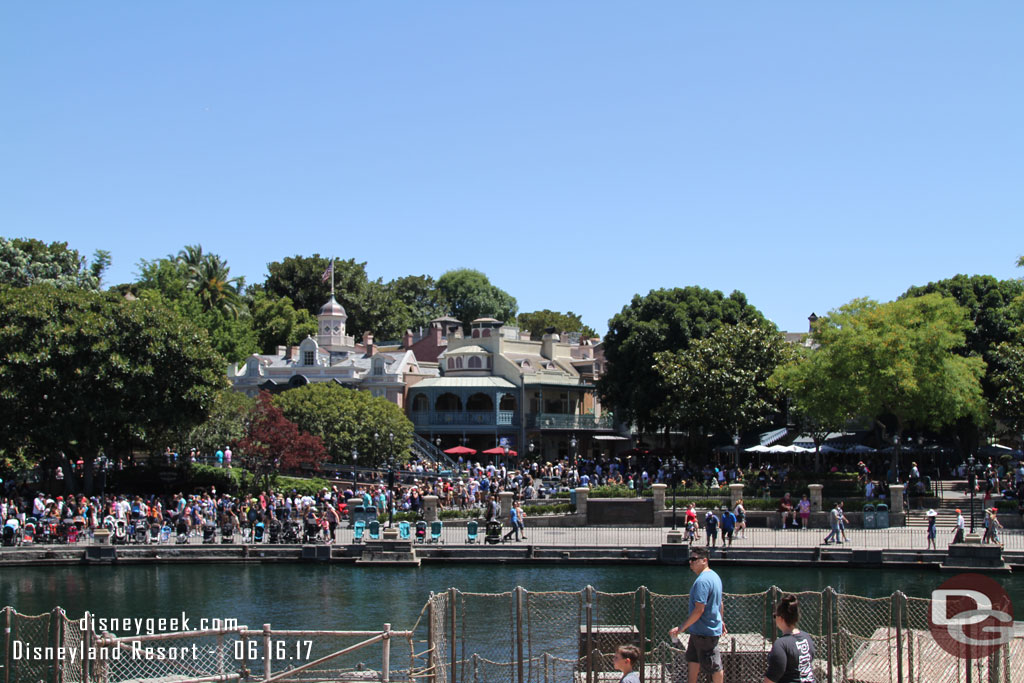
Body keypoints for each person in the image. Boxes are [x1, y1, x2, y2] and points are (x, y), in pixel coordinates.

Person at [669, 546, 724, 683]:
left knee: (714, 666)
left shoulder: (702, 581)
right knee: (693, 661)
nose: (690, 562)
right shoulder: (715, 576)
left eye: (694, 559)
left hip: (705, 633)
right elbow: (720, 603)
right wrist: (721, 621)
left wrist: (681, 628)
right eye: (690, 559)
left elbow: (699, 610)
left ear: (704, 560)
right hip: (698, 632)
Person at [763, 593, 816, 683]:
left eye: (775, 616)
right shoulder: (807, 637)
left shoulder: (781, 644)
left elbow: (774, 674)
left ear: (781, 618)